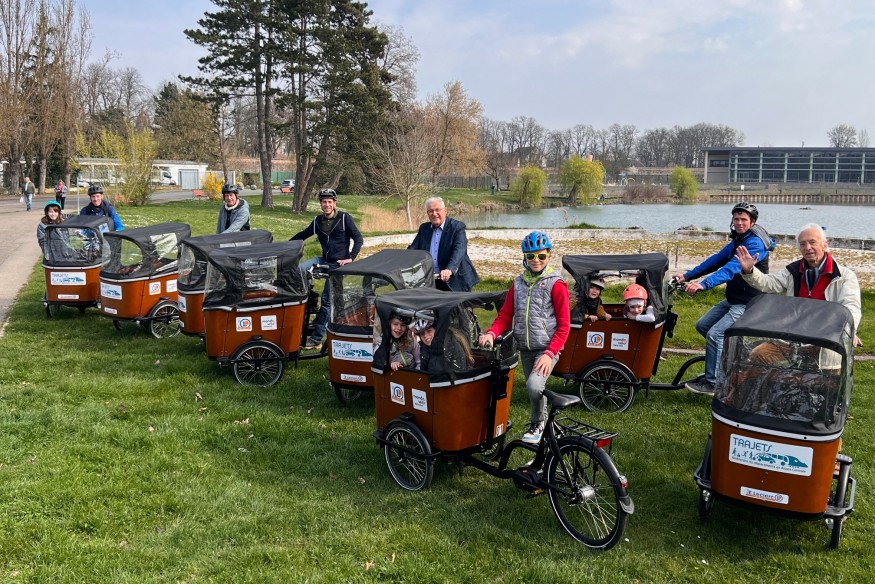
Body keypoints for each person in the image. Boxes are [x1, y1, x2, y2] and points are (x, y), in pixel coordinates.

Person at [673, 202, 774, 396]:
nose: (739, 222)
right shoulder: (739, 240)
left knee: (716, 334)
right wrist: (688, 276)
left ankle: (714, 383)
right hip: (734, 298)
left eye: (744, 219)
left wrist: (704, 284)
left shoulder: (755, 243)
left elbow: (730, 268)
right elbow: (716, 260)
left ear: (752, 222)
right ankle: (733, 363)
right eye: (736, 219)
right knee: (703, 326)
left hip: (748, 301)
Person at [478, 231, 570, 444]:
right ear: (524, 257)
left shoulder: (556, 284)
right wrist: (492, 333)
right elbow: (505, 315)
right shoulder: (518, 284)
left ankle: (538, 423)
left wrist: (550, 354)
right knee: (533, 389)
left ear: (548, 255)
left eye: (541, 256)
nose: (536, 261)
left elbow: (564, 326)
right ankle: (545, 430)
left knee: (534, 386)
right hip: (526, 347)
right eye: (531, 256)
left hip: (547, 347)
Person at [736, 222, 862, 354]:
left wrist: (848, 331)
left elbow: (851, 307)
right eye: (803, 244)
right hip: (794, 335)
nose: (807, 248)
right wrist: (750, 271)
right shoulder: (794, 271)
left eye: (812, 242)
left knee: (823, 373)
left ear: (825, 244)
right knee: (760, 355)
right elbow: (769, 283)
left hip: (827, 339)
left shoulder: (844, 276)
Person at [291, 188, 363, 349]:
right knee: (300, 270)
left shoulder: (345, 218)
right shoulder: (318, 221)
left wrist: (350, 258)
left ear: (334, 203)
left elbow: (358, 238)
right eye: (324, 202)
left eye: (330, 202)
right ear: (321, 204)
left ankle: (316, 339)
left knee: (327, 301)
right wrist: (286, 245)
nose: (327, 204)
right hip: (324, 260)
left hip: (338, 266)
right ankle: (311, 300)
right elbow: (303, 234)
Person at [408, 196, 479, 292]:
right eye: (430, 211)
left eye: (437, 210)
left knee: (456, 306)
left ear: (445, 211)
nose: (434, 214)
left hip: (455, 280)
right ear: (427, 213)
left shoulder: (457, 227)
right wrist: (404, 262)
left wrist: (449, 269)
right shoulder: (424, 228)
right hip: (431, 279)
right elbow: (413, 249)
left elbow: (459, 249)